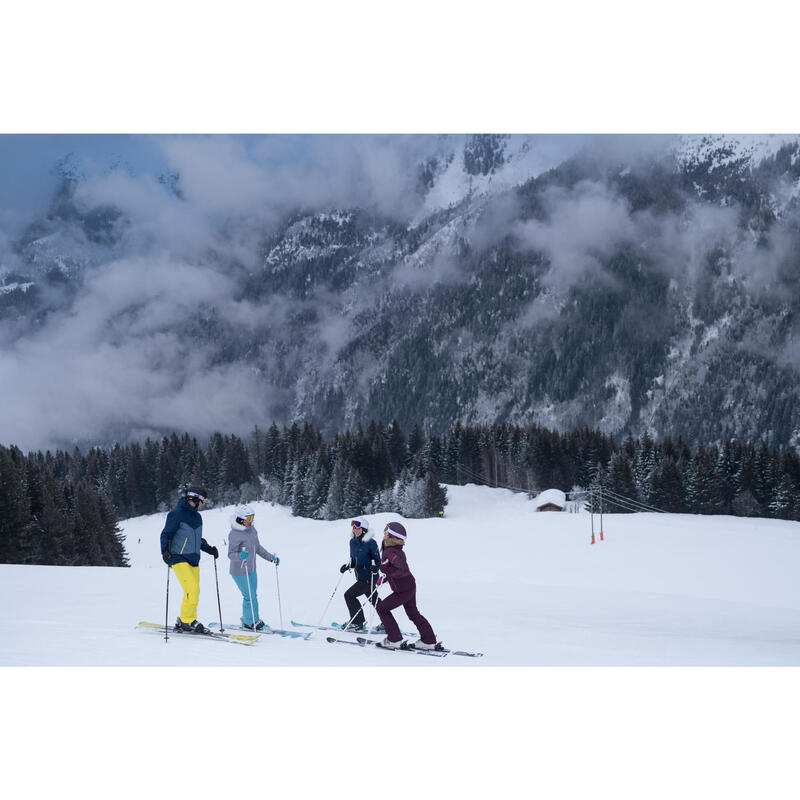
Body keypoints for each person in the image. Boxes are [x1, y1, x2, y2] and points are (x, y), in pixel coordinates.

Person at [160, 486, 218, 633]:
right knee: (191, 588)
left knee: (194, 591)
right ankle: (187, 621)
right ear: (194, 499)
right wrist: (165, 552)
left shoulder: (198, 517)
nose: (203, 504)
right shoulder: (176, 514)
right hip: (178, 558)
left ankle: (185, 619)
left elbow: (197, 539)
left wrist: (209, 549)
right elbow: (166, 534)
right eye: (203, 500)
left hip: (193, 560)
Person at [375, 521, 440, 650]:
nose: (384, 533)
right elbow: (397, 569)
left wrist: (385, 570)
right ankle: (428, 641)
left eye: (386, 531)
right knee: (413, 613)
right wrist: (386, 577)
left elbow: (401, 570)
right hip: (409, 585)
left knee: (382, 608)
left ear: (392, 536)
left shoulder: (391, 551)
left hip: (402, 590)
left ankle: (394, 640)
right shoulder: (394, 550)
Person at [227, 504, 279, 631]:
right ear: (240, 519)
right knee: (248, 596)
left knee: (253, 596)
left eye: (252, 518)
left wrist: (271, 557)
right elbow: (230, 554)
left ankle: (254, 619)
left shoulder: (252, 530)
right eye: (248, 518)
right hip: (239, 570)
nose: (251, 521)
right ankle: (249, 622)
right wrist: (240, 555)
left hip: (251, 569)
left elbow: (258, 548)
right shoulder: (234, 533)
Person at [339, 519, 382, 632]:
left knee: (349, 595)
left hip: (369, 577)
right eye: (354, 528)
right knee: (374, 600)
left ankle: (357, 622)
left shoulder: (371, 543)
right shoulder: (352, 542)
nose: (355, 530)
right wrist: (348, 566)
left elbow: (378, 560)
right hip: (360, 577)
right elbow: (354, 560)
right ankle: (387, 623)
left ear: (364, 530)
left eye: (358, 528)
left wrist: (375, 568)